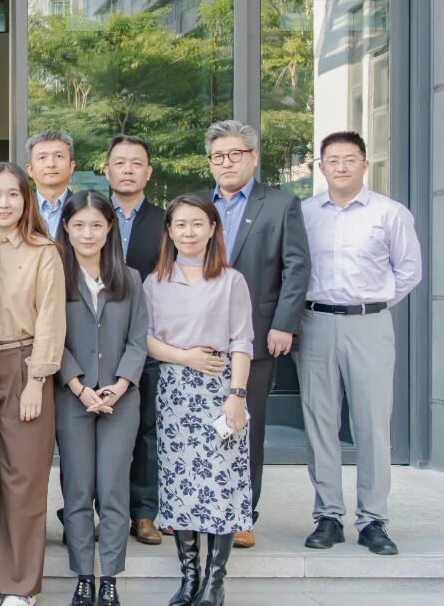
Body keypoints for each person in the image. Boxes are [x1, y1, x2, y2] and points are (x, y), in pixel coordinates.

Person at [298, 131, 422, 556]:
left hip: (370, 324)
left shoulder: (389, 213)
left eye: (350, 159)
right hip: (315, 323)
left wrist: (374, 302)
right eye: (333, 160)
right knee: (320, 422)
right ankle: (328, 515)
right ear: (321, 167)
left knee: (372, 423)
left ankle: (373, 519)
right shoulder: (305, 213)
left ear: (365, 164)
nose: (341, 166)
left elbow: (409, 271)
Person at [144, 194, 253, 606]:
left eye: (196, 224)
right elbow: (146, 339)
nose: (188, 232)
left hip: (221, 390)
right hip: (175, 393)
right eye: (180, 224)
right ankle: (189, 577)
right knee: (181, 483)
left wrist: (237, 396)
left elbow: (242, 342)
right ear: (169, 232)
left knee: (220, 482)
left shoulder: (231, 280)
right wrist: (185, 357)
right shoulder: (155, 282)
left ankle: (215, 580)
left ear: (212, 229)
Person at [206, 119, 310, 549]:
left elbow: (297, 267)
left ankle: (242, 514)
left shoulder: (281, 204)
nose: (226, 162)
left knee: (246, 423)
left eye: (235, 154)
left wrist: (284, 323)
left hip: (258, 335)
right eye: (218, 156)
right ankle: (199, 507)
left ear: (253, 156)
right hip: (200, 338)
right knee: (200, 423)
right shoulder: (198, 205)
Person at [0, 163, 67, 606]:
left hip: (24, 363)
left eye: (13, 194)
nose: (4, 203)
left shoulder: (43, 251)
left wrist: (36, 378)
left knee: (23, 478)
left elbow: (51, 318)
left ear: (26, 200)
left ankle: (20, 586)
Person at [56, 191, 148, 606]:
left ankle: (109, 577)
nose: (87, 233)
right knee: (77, 489)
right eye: (79, 225)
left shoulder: (130, 278)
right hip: (72, 397)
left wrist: (120, 385)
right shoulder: (56, 276)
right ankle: (83, 576)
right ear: (66, 228)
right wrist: (79, 386)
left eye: (96, 225)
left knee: (113, 488)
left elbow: (138, 339)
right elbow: (51, 338)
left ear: (110, 228)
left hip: (120, 400)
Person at [104, 135, 166, 546]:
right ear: (106, 169)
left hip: (151, 339)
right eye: (120, 162)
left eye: (136, 163)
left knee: (147, 429)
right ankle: (107, 512)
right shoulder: (91, 214)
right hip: (100, 340)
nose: (127, 169)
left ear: (148, 171)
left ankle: (144, 513)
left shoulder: (166, 221)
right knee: (103, 433)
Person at [25, 129, 76, 243]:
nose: (51, 164)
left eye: (59, 156)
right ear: (29, 169)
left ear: (71, 166)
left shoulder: (84, 207)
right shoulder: (22, 208)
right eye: (42, 157)